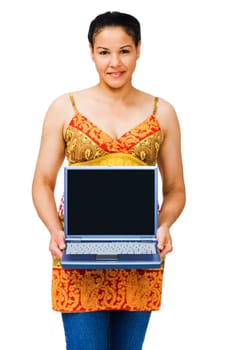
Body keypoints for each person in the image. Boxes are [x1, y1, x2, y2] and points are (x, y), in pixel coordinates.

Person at [32, 11, 186, 350]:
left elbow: (175, 189)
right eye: (104, 52)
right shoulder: (65, 108)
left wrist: (164, 225)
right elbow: (42, 181)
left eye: (124, 50)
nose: (114, 62)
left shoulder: (163, 113)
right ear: (91, 52)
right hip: (78, 249)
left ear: (139, 49)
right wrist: (54, 230)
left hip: (140, 252)